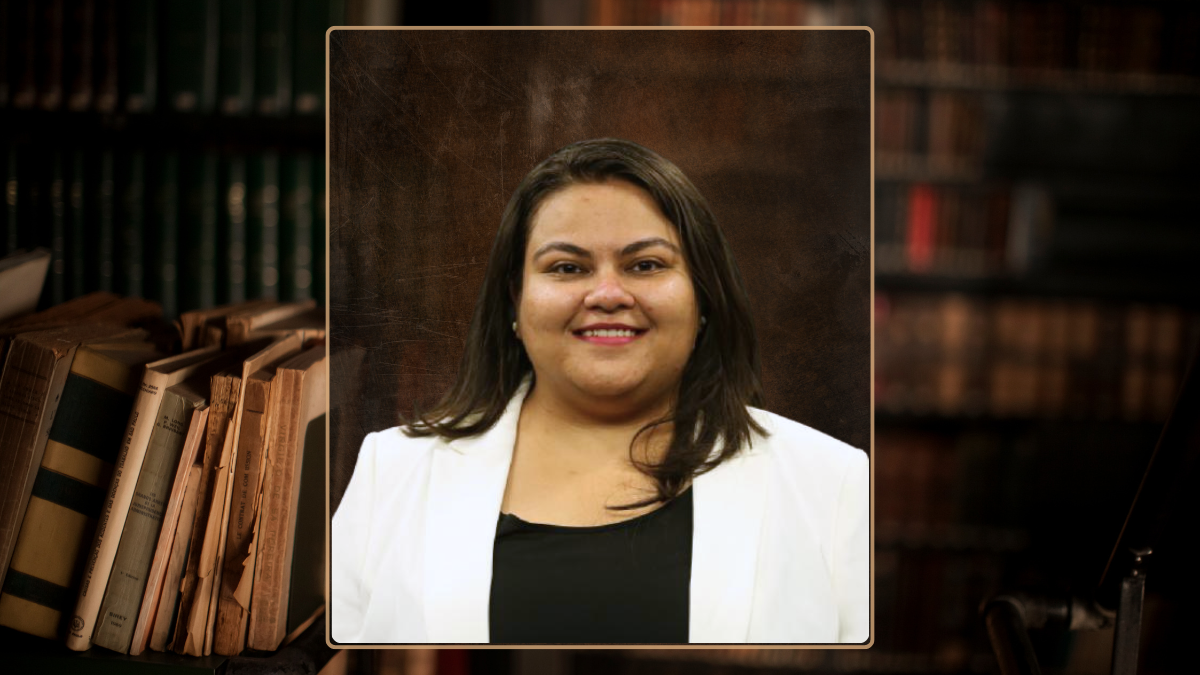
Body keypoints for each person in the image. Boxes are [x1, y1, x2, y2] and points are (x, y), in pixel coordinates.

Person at [331, 138, 868, 644]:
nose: (608, 294)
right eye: (567, 267)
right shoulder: (393, 472)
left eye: (646, 265)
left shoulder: (833, 485)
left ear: (703, 298)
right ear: (515, 301)